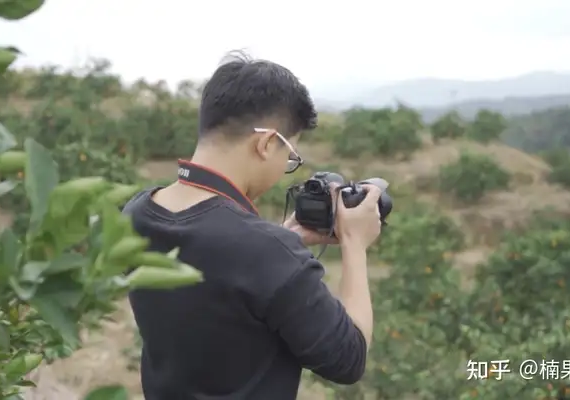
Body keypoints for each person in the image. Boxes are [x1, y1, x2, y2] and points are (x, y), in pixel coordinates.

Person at [123, 51, 382, 400]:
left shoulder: (137, 213)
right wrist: (354, 242)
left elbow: (215, 279)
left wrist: (280, 241)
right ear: (266, 143)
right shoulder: (266, 253)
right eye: (289, 157)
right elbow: (348, 359)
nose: (284, 169)